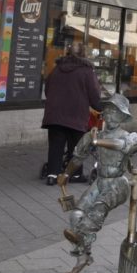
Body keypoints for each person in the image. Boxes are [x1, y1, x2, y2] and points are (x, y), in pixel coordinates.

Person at [58, 94, 137, 273]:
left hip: (118, 183)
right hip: (100, 181)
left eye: (115, 112)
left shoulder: (130, 136)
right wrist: (66, 174)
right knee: (76, 214)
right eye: (108, 111)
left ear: (123, 116)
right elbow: (78, 157)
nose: (110, 115)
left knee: (97, 211)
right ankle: (83, 257)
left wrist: (97, 142)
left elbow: (122, 146)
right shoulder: (93, 135)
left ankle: (80, 236)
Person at [41, 42, 102, 185]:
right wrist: (100, 107)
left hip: (54, 115)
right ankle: (74, 175)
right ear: (84, 54)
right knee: (76, 148)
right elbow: (94, 95)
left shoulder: (57, 69)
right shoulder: (87, 71)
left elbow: (47, 90)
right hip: (76, 115)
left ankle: (52, 175)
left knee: (56, 146)